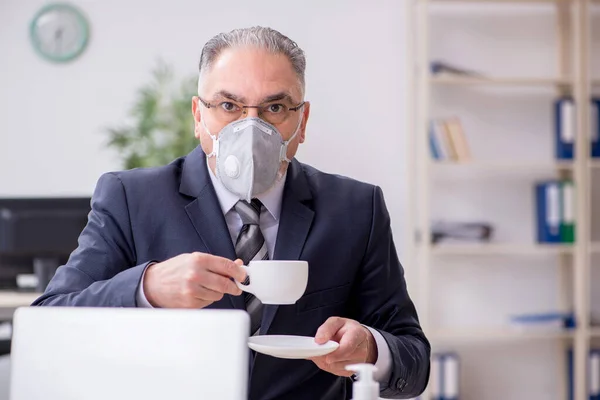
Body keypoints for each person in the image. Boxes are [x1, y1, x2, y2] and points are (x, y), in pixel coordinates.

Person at [32, 26, 430, 399]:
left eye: (275, 106)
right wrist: (147, 287)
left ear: (302, 121)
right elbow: (47, 324)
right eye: (228, 105)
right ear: (198, 116)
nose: (251, 126)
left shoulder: (356, 208)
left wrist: (372, 349)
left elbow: (414, 358)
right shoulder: (132, 198)